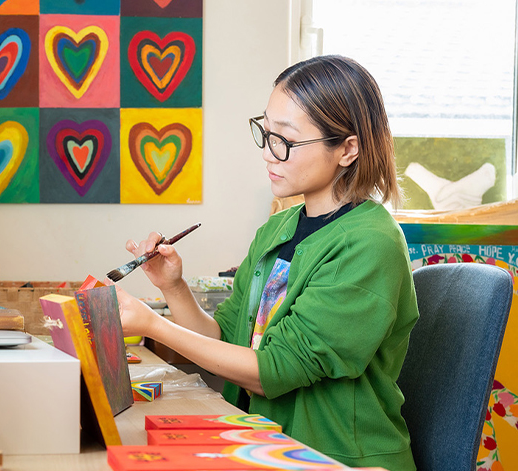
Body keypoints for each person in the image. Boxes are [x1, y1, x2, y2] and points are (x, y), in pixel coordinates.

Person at [115, 55, 418, 471]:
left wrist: (153, 325)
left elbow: (272, 371)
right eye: (266, 133)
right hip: (264, 444)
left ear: (348, 148)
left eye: (286, 141)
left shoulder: (370, 245)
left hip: (337, 457)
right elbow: (226, 341)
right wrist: (173, 287)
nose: (269, 154)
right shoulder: (278, 230)